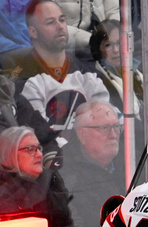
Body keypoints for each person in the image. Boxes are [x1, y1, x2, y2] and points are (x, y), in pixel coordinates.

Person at [2, 0, 109, 133]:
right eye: (50, 22)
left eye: (62, 20)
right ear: (33, 32)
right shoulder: (19, 84)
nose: (60, 26)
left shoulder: (89, 75)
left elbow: (111, 126)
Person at [0, 125, 74, 227]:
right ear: (9, 153)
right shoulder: (3, 192)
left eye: (39, 149)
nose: (39, 155)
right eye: (30, 150)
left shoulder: (53, 181)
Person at [61, 100, 124, 227]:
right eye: (104, 128)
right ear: (82, 134)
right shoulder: (66, 174)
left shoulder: (132, 158)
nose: (113, 135)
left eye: (116, 127)